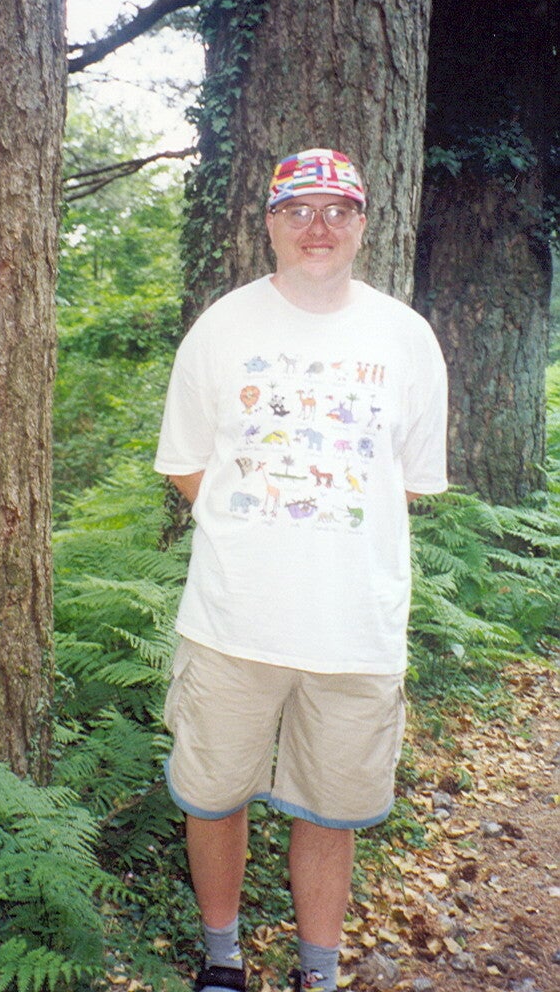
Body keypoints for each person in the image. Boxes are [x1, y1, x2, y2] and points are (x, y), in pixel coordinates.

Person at [153, 148, 449, 992]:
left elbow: (407, 482)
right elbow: (185, 463)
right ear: (271, 224)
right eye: (298, 210)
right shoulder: (223, 327)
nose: (317, 227)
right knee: (215, 797)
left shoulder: (405, 337)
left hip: (355, 628)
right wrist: (257, 530)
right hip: (232, 620)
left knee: (331, 810)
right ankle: (222, 960)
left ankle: (316, 973)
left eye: (336, 210)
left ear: (361, 224)